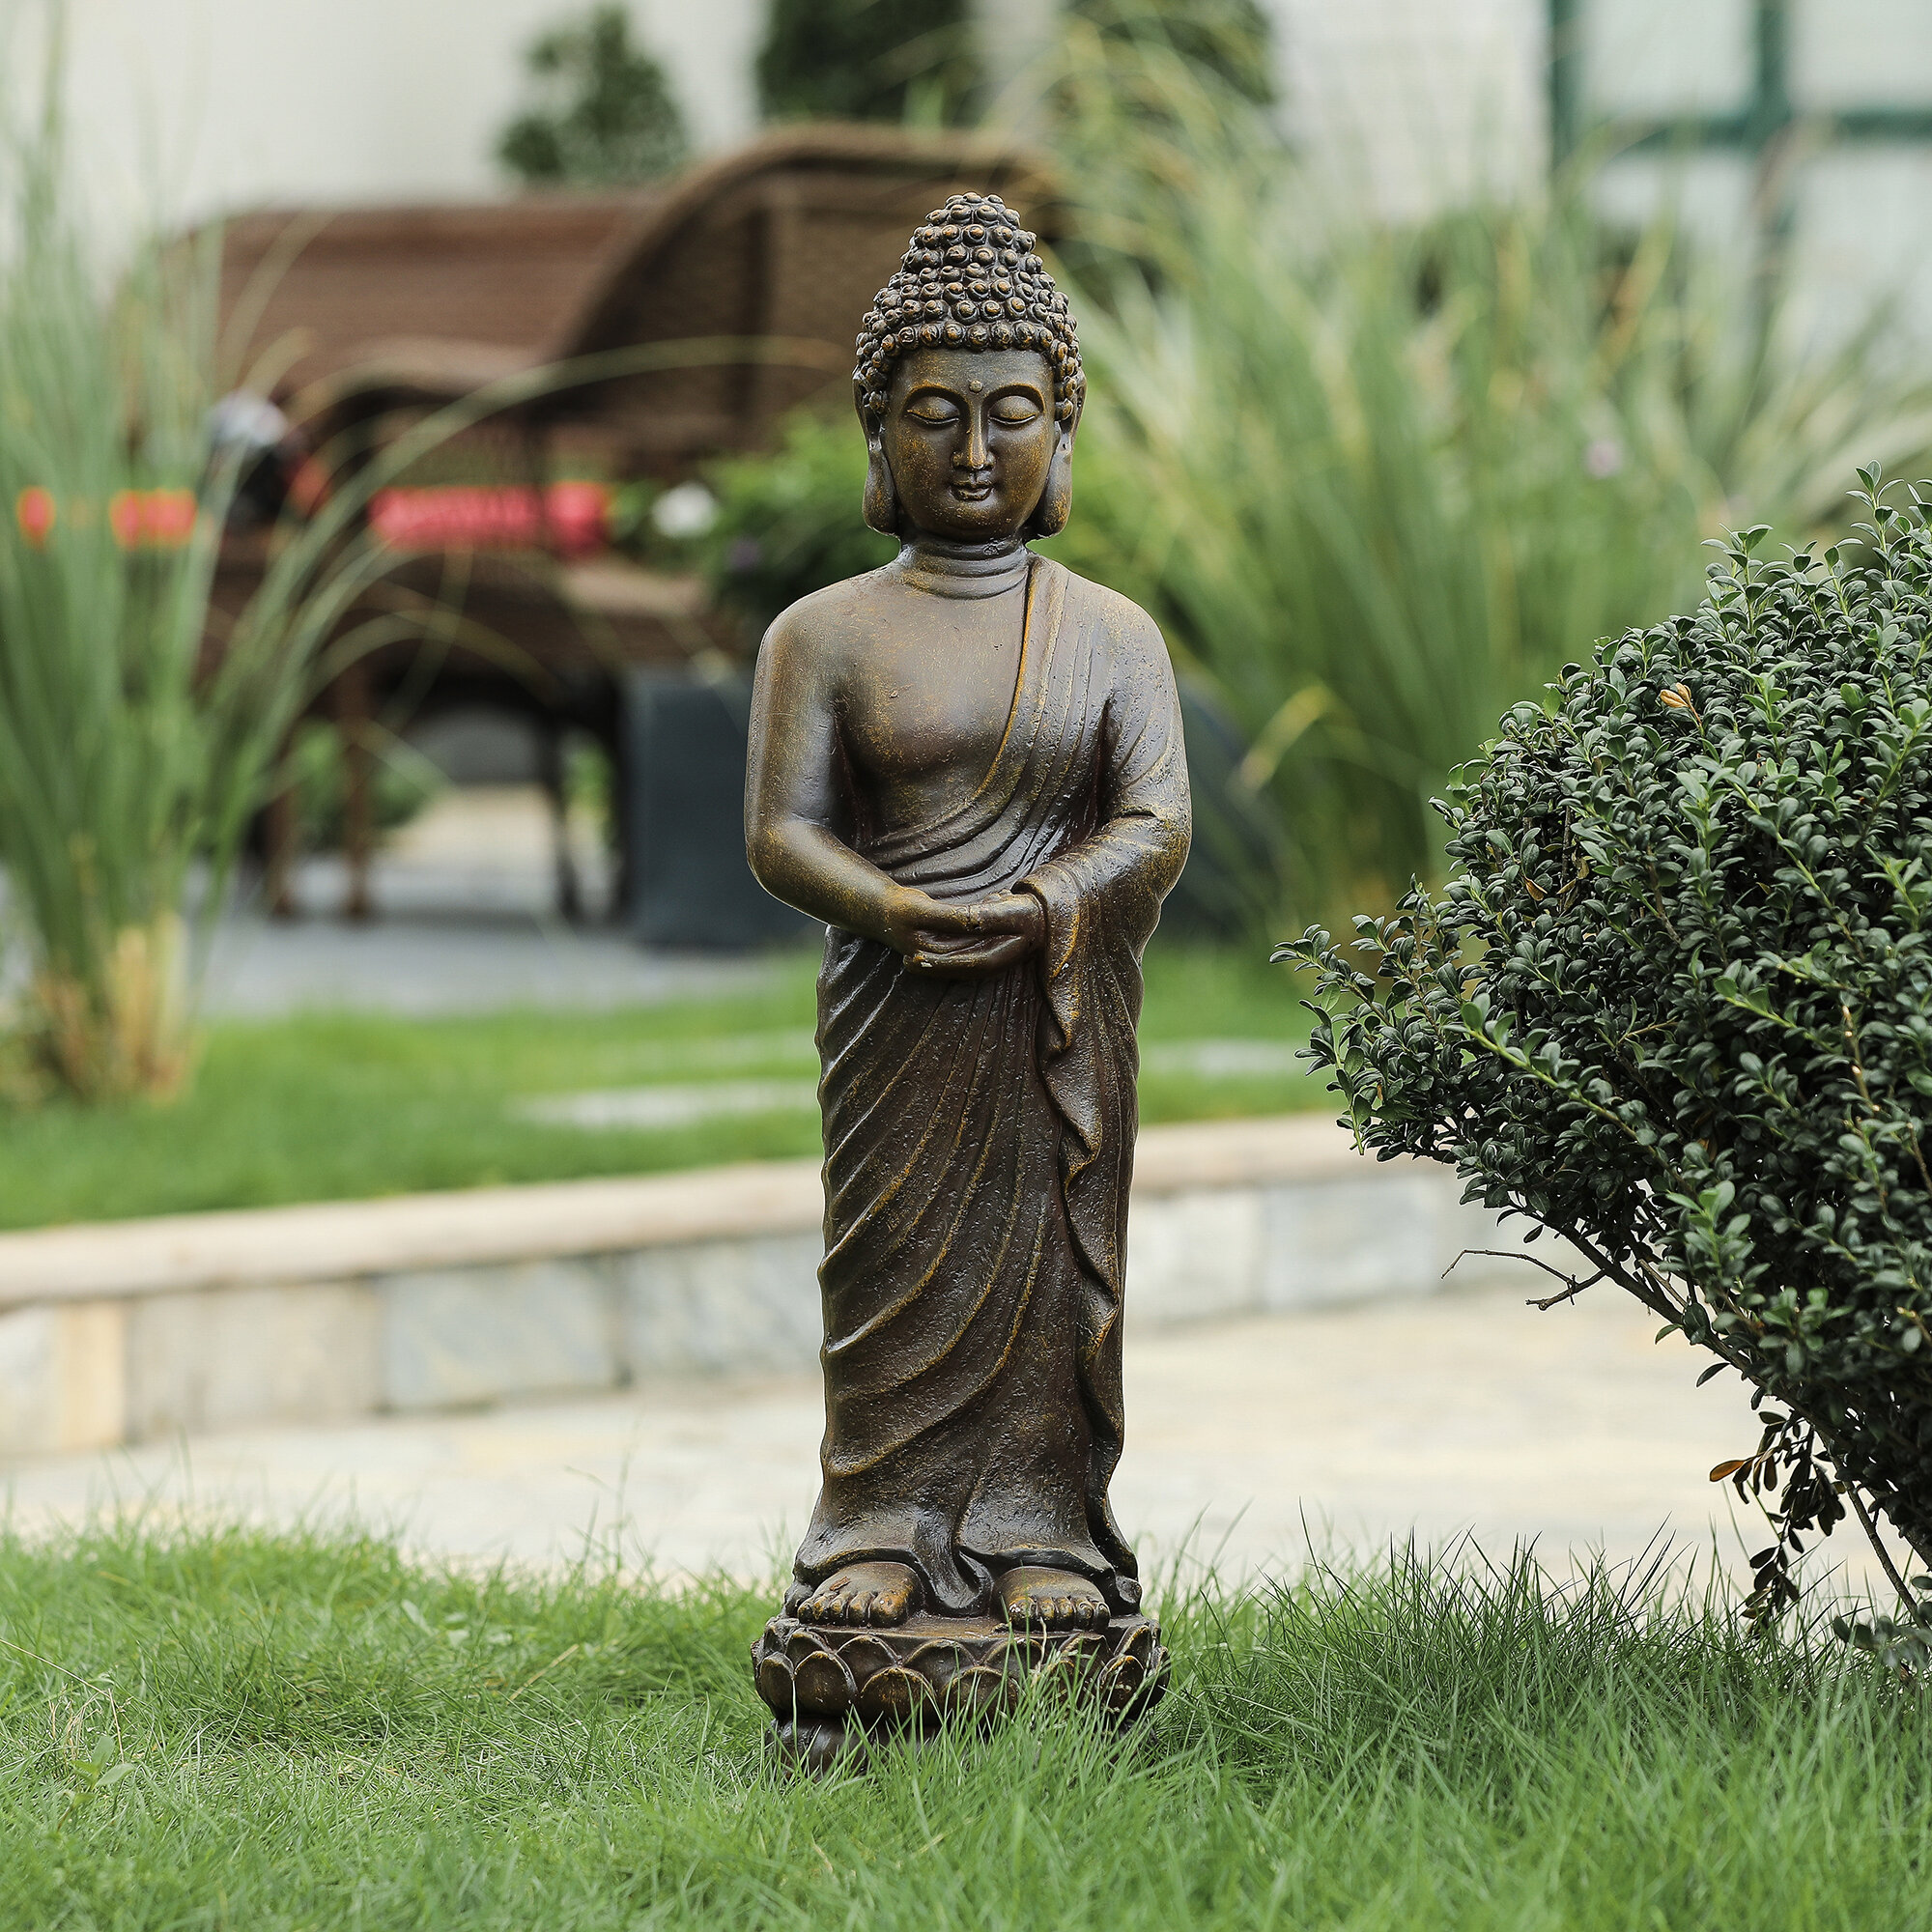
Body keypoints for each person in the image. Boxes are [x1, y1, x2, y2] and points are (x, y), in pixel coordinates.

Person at [746, 193, 1190, 1633]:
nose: (977, 448)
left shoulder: (1113, 635)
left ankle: (1040, 1525)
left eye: (1013, 413)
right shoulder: (820, 635)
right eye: (936, 414)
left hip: (1049, 1007)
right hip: (899, 1008)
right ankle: (875, 1517)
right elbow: (780, 832)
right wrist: (888, 907)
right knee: (890, 1261)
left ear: (1065, 433)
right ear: (877, 437)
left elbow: (1158, 822)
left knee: (1048, 1267)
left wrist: (1048, 899)